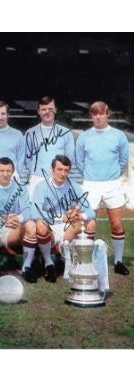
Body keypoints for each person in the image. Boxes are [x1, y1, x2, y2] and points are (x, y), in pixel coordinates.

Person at [75, 101, 130, 275]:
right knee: (89, 224)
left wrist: (111, 175)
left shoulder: (119, 135)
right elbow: (79, 161)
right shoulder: (84, 137)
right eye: (94, 114)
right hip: (91, 184)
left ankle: (119, 261)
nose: (98, 117)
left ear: (108, 114)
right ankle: (88, 260)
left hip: (112, 184)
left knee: (116, 223)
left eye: (101, 113)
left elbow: (123, 160)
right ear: (91, 116)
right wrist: (92, 176)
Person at [32, 155, 96, 282]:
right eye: (59, 169)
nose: (62, 173)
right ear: (52, 169)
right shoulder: (41, 186)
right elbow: (35, 213)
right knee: (40, 223)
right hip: (49, 227)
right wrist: (61, 218)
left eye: (66, 170)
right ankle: (48, 263)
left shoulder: (74, 186)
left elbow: (91, 212)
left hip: (67, 230)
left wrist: (79, 215)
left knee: (91, 223)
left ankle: (83, 262)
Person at [0, 157, 37, 284]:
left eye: (8, 171)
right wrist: (2, 220)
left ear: (13, 172)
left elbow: (28, 210)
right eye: (1, 171)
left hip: (14, 230)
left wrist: (18, 218)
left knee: (31, 224)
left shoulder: (20, 188)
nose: (5, 174)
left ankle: (26, 267)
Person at [24, 96, 75, 196]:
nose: (47, 112)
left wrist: (59, 174)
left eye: (50, 109)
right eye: (43, 109)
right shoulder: (30, 133)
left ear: (55, 110)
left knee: (59, 211)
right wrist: (37, 172)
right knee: (35, 210)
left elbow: (70, 159)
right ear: (39, 111)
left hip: (59, 179)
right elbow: (27, 159)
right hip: (37, 179)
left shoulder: (66, 133)